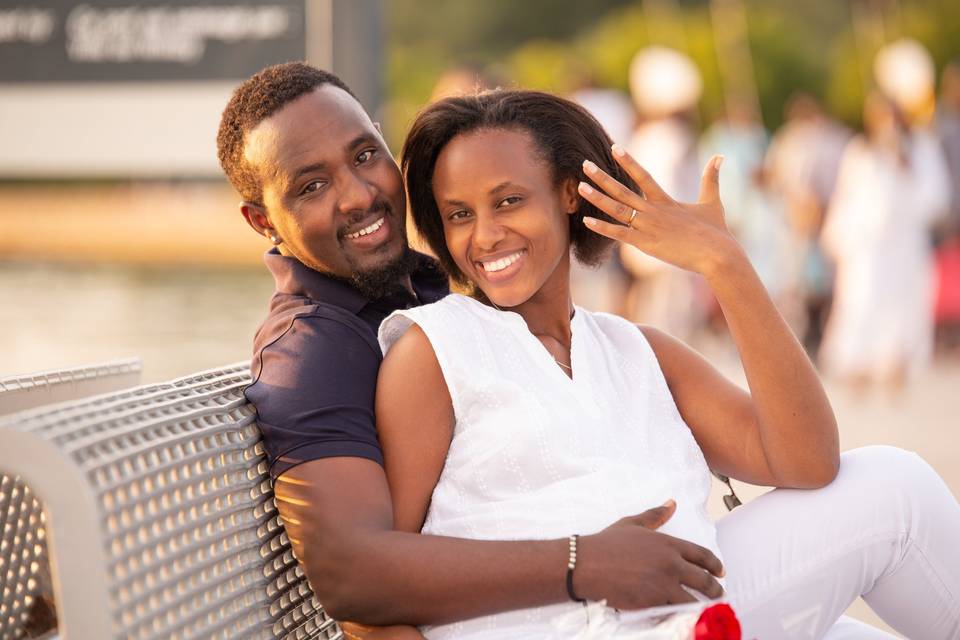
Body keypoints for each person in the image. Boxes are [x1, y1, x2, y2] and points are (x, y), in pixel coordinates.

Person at [376, 88, 960, 638]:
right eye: (459, 215)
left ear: (568, 194)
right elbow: (384, 577)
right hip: (556, 625)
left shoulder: (636, 349)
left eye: (508, 201)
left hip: (693, 610)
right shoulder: (434, 349)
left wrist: (726, 266)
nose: (485, 235)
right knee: (897, 489)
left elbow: (808, 461)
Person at [215, 62, 746, 637]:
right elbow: (352, 579)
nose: (358, 193)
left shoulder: (426, 287)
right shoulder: (313, 350)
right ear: (261, 220)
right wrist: (583, 563)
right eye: (312, 185)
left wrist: (722, 262)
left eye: (366, 155)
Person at [819, 91, 951, 388]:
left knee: (904, 302)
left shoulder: (920, 148)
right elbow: (846, 197)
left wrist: (906, 167)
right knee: (860, 299)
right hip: (866, 245)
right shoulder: (861, 151)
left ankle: (896, 363)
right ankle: (856, 362)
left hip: (905, 244)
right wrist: (837, 236)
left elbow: (936, 198)